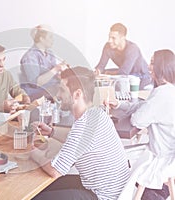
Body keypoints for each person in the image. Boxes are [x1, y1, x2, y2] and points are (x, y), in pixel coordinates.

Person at [31, 67, 130, 200]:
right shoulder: (97, 114)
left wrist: (32, 153)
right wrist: (52, 132)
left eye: (62, 90)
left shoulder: (83, 127)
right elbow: (77, 139)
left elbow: (55, 171)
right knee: (44, 189)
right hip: (114, 190)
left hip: (101, 196)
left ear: (77, 94)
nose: (58, 95)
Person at [108, 49, 175, 200]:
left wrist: (136, 110)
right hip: (169, 152)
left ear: (161, 66)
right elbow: (145, 107)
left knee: (119, 155)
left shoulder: (161, 94)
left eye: (152, 63)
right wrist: (119, 104)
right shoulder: (168, 90)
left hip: (162, 156)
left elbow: (137, 120)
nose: (149, 66)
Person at [95, 23, 153, 90]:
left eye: (113, 38)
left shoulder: (133, 48)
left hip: (141, 76)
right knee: (105, 73)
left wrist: (107, 73)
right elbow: (101, 66)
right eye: (109, 37)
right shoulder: (108, 46)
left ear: (123, 38)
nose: (109, 41)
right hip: (127, 75)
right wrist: (98, 71)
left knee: (115, 77)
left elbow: (124, 72)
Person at [20, 24, 68, 101]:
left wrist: (63, 71)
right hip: (37, 95)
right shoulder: (30, 57)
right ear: (41, 39)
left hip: (52, 89)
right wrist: (56, 69)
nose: (53, 40)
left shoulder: (49, 53)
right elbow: (36, 84)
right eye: (50, 37)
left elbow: (54, 76)